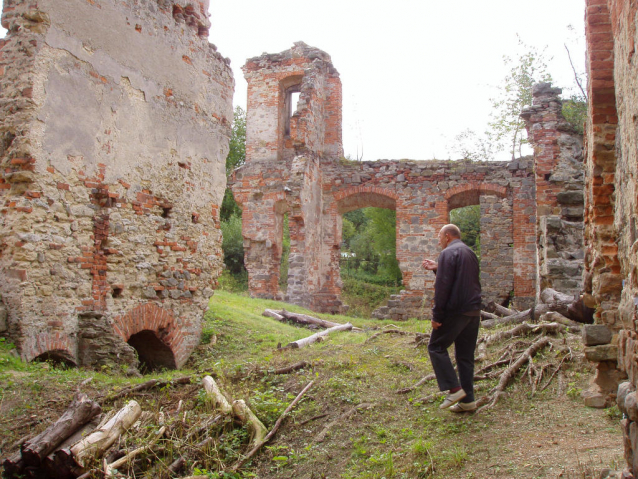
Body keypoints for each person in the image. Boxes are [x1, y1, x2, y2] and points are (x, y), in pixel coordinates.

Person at [422, 224, 481, 412]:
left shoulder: (448, 253)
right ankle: (468, 401)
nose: (438, 240)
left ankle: (455, 389)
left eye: (439, 236)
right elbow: (460, 278)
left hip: (456, 311)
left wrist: (437, 316)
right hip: (473, 312)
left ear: (447, 236)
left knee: (435, 347)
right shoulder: (470, 253)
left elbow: (443, 287)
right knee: (465, 356)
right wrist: (438, 268)